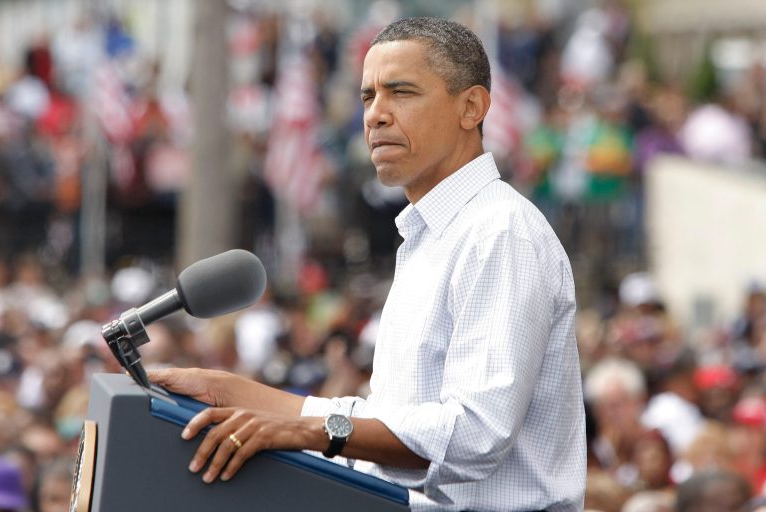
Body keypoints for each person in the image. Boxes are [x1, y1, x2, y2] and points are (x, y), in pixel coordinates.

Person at [150, 16, 585, 511]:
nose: (375, 115)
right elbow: (385, 425)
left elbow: (473, 435)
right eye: (367, 97)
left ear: (472, 107)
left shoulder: (499, 231)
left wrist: (307, 432)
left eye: (401, 92)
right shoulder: (432, 234)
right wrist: (229, 391)